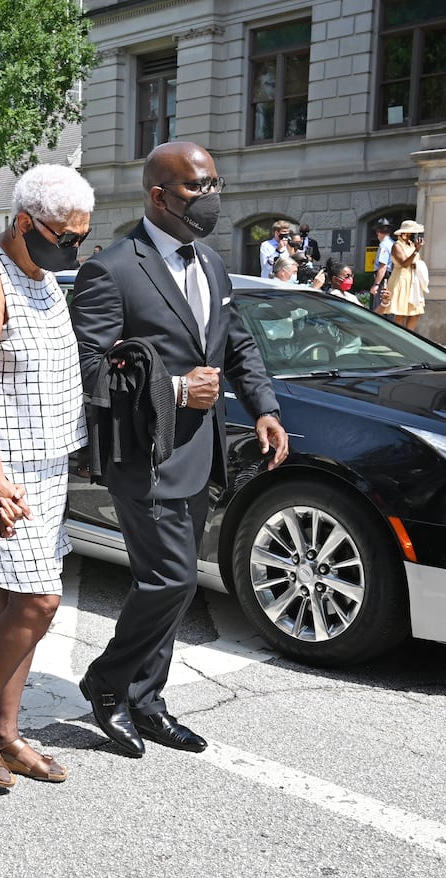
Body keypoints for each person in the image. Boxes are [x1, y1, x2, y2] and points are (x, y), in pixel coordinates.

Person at [73, 141, 289, 758]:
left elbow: (238, 346)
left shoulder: (213, 265)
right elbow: (88, 372)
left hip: (200, 454)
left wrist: (265, 409)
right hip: (143, 455)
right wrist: (172, 388)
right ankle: (109, 686)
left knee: (176, 583)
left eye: (215, 184)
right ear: (159, 194)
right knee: (168, 579)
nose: (210, 198)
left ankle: (148, 700)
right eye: (197, 187)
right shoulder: (111, 269)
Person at [0, 163, 92, 790]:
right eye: (65, 236)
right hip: (13, 472)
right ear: (26, 222)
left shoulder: (45, 276)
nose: (74, 248)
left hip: (51, 462)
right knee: (40, 601)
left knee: (24, 606)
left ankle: (8, 731)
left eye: (82, 236)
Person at [386, 220, 427, 331]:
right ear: (405, 233)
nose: (414, 235)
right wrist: (416, 251)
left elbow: (414, 262)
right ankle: (398, 338)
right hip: (401, 280)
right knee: (401, 312)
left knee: (415, 312)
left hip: (413, 281)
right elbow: (404, 263)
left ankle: (409, 336)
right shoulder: (397, 246)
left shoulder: (412, 244)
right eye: (412, 232)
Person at [370, 218, 394, 312]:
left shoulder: (384, 245)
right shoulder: (393, 243)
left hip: (384, 280)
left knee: (379, 308)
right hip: (392, 279)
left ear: (378, 232)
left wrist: (376, 284)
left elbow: (382, 267)